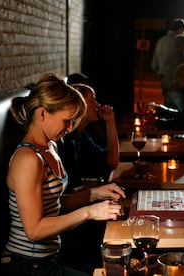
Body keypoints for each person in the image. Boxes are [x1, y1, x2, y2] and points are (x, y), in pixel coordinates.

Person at [1, 73, 126, 276]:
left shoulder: (50, 146)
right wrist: (89, 212)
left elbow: (53, 204)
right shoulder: (27, 159)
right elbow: (34, 230)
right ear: (43, 114)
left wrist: (95, 194)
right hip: (28, 266)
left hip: (49, 259)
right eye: (67, 121)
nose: (70, 128)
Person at [57, 83, 120, 273]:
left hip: (75, 214)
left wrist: (110, 122)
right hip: (68, 231)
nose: (97, 104)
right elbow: (58, 201)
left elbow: (111, 162)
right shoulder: (61, 142)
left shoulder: (80, 135)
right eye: (91, 100)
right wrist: (91, 194)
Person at [151, 17, 184, 95]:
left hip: (163, 79)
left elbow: (154, 65)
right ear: (180, 29)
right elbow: (183, 61)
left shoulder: (160, 41)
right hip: (176, 80)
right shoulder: (179, 41)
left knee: (167, 103)